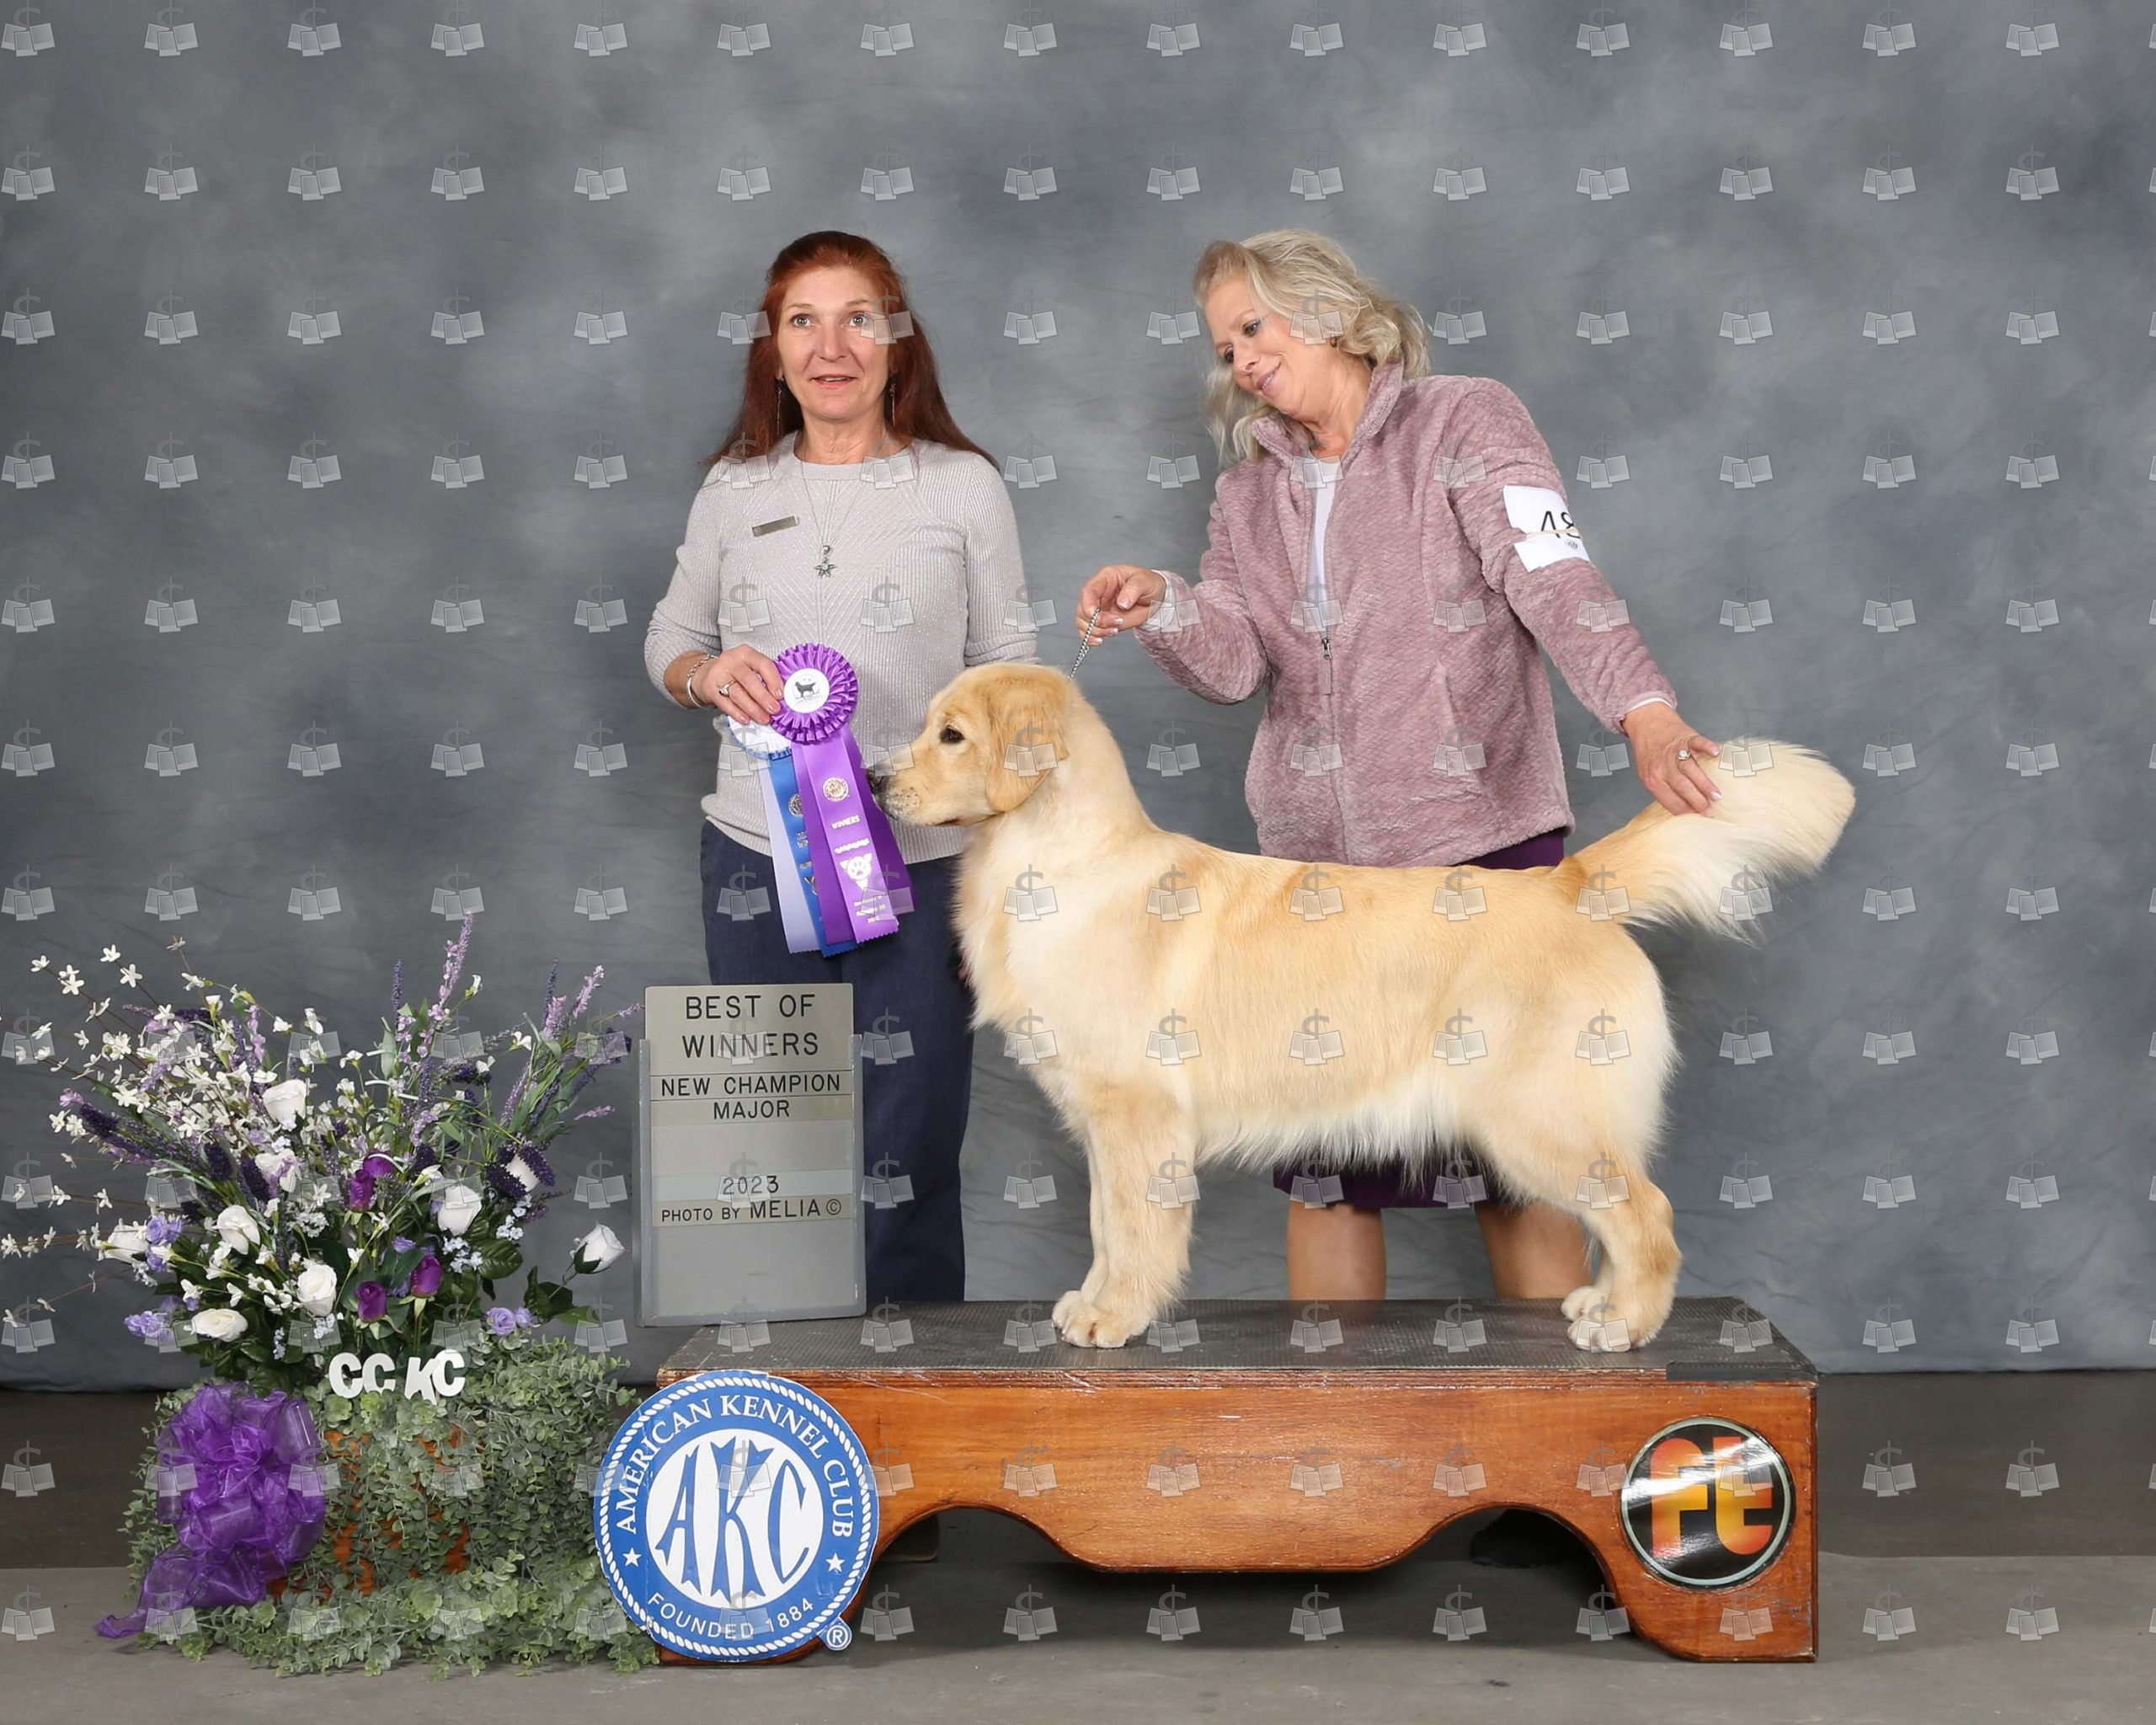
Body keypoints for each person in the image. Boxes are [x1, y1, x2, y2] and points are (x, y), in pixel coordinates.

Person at [1075, 229, 1721, 1566]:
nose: (1240, 360)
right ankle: (1345, 1478)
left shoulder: (1467, 422)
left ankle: (1556, 1485)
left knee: (1517, 1173)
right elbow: (1233, 665)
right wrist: (1164, 605)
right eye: (1225, 345)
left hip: (1480, 851)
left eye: (1256, 329)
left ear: (1335, 315)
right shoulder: (1247, 493)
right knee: (1331, 1180)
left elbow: (1555, 576)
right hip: (1319, 883)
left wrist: (1646, 712)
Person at [643, 231, 1038, 1560]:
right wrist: (708, 676)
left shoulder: (963, 486)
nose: (831, 346)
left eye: (859, 318)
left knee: (907, 1156)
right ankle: (770, 1467)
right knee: (769, 1163)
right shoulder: (732, 491)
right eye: (803, 321)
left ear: (898, 340)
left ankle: (912, 1462)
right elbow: (670, 637)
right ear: (773, 349)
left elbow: (1012, 663)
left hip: (920, 869)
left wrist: (984, 807)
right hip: (751, 859)